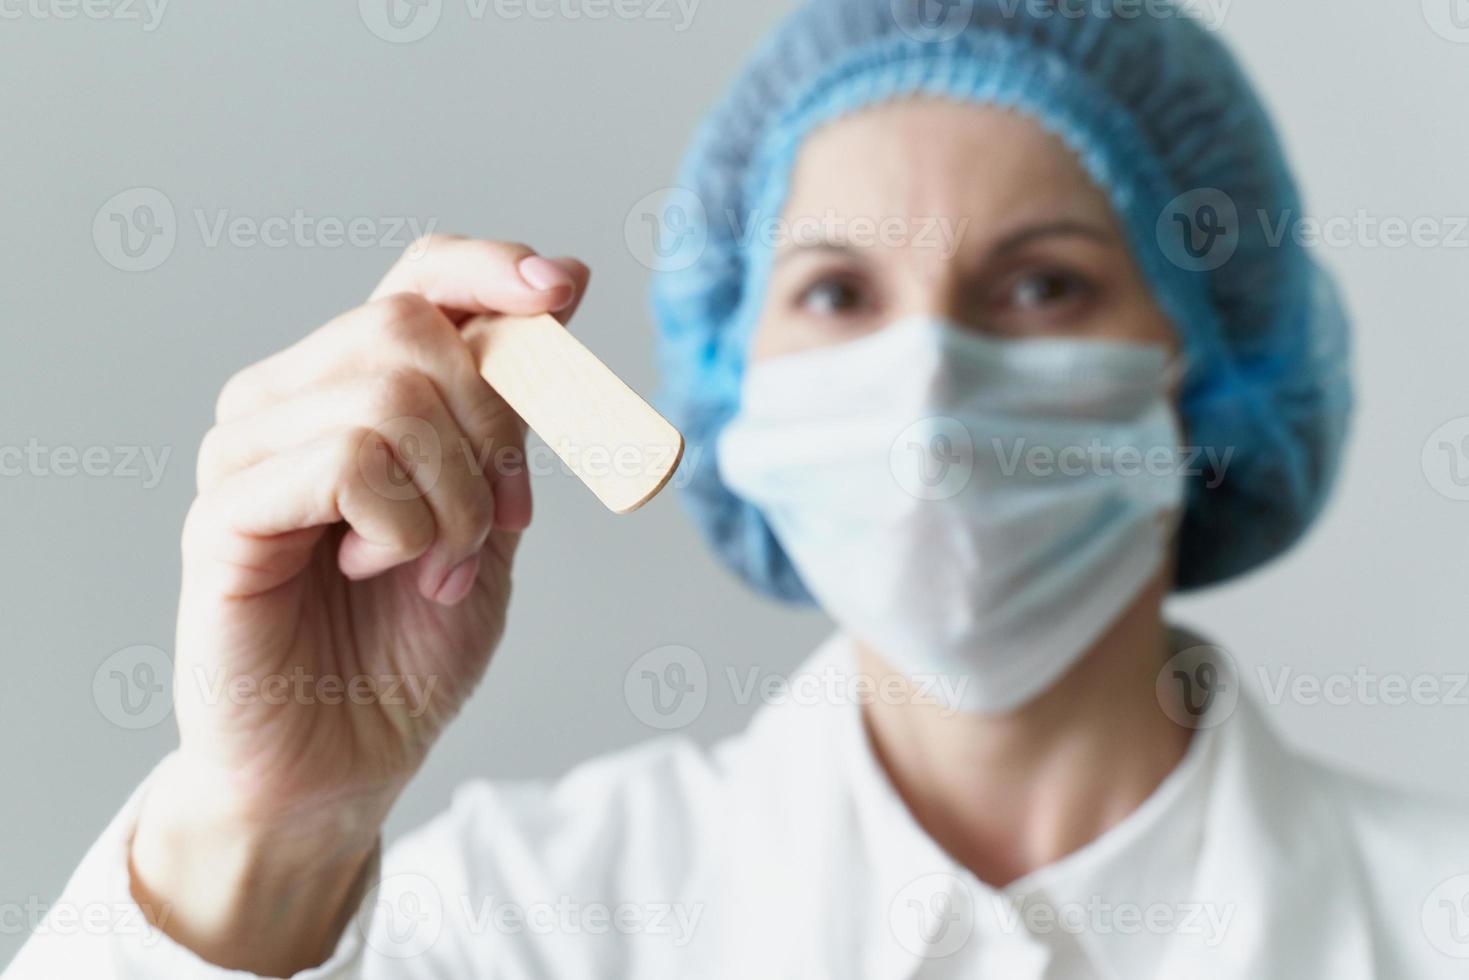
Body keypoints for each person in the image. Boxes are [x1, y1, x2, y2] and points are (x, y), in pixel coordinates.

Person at [11, 1, 1466, 977]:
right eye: (836, 291)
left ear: (1201, 363)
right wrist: (265, 830)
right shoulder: (510, 922)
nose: (927, 383)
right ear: (732, 375)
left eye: (1041, 282)